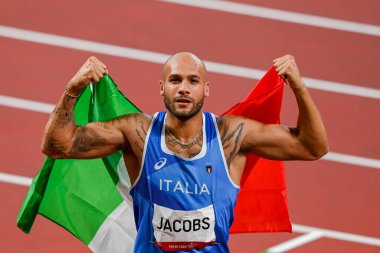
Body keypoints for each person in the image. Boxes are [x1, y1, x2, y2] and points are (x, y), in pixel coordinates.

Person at [42, 52, 328, 252]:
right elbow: (57, 145)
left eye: (192, 81)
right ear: (162, 88)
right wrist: (73, 88)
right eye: (175, 80)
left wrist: (299, 87)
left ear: (206, 89)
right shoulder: (136, 134)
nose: (183, 89)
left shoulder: (232, 137)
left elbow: (312, 146)